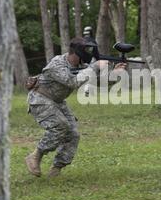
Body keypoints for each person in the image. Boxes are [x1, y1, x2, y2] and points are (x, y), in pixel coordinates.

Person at [25, 37, 126, 178]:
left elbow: (95, 81)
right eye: (87, 50)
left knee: (73, 134)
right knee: (61, 126)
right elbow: (72, 81)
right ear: (77, 52)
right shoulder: (57, 63)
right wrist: (95, 66)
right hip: (41, 98)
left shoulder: (81, 66)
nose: (90, 54)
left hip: (58, 101)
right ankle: (35, 155)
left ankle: (56, 169)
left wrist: (114, 74)